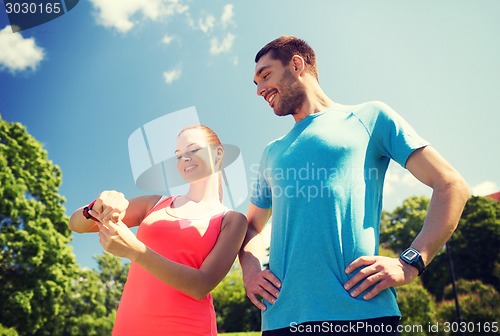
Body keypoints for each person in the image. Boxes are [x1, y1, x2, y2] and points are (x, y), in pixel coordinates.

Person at [239, 36, 470, 335]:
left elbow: (450, 184)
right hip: (282, 320)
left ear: (296, 64)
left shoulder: (369, 117)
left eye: (265, 75)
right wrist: (251, 271)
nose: (259, 90)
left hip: (363, 315)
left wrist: (411, 261)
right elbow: (252, 227)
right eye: (255, 83)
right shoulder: (272, 151)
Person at [69, 124, 248, 336]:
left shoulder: (232, 220)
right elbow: (76, 224)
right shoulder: (155, 203)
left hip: (188, 329)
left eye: (193, 149)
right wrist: (99, 204)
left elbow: (201, 285)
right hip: (129, 327)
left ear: (218, 153)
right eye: (179, 155)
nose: (185, 159)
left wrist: (135, 251)